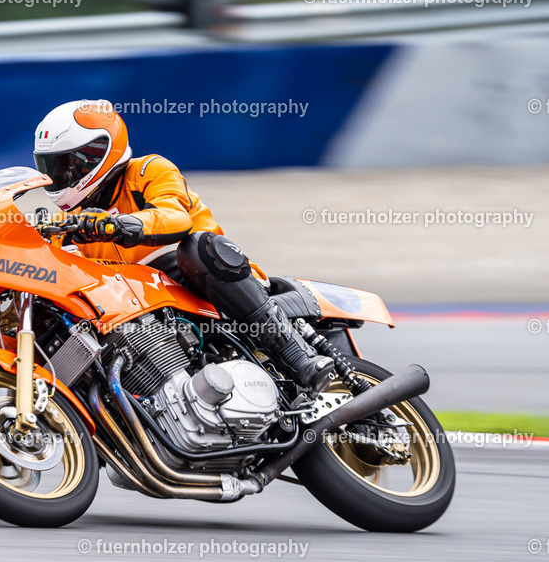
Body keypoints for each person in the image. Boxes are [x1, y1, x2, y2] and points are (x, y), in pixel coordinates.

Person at [33, 99, 334, 392]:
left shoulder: (147, 171)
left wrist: (117, 225)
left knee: (199, 247)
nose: (62, 177)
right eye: (54, 168)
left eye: (69, 165)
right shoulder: (69, 222)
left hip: (207, 288)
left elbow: (175, 218)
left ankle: (299, 358)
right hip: (148, 314)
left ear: (98, 153)